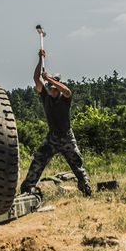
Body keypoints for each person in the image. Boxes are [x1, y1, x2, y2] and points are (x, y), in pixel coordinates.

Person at [18, 48, 92, 198]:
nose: (52, 91)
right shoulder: (45, 96)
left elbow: (67, 90)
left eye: (54, 89)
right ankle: (27, 188)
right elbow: (35, 78)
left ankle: (85, 187)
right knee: (38, 160)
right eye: (50, 89)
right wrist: (40, 60)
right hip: (52, 137)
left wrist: (49, 80)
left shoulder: (64, 98)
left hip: (67, 137)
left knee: (77, 164)